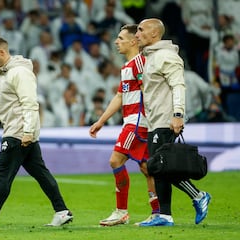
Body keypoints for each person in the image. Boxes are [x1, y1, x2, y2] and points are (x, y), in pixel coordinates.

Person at [0, 35, 73, 228]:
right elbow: (3, 104)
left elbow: (29, 103)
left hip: (18, 133)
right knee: (41, 174)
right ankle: (62, 211)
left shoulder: (19, 72)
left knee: (3, 173)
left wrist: (28, 131)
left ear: (2, 52)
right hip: (21, 133)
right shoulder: (5, 73)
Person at [135, 18, 211, 226]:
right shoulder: (151, 57)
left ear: (154, 34)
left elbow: (178, 85)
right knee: (159, 167)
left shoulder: (166, 56)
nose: (137, 34)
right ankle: (165, 215)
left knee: (159, 167)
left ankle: (198, 196)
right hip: (155, 121)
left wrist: (178, 114)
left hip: (166, 120)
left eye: (140, 30)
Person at [89, 24, 159, 226]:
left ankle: (121, 212)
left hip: (137, 123)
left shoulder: (139, 63)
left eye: (120, 38)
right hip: (134, 122)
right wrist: (101, 121)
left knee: (115, 161)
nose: (116, 42)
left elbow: (149, 90)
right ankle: (158, 212)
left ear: (133, 41)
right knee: (147, 168)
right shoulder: (127, 67)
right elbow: (120, 96)